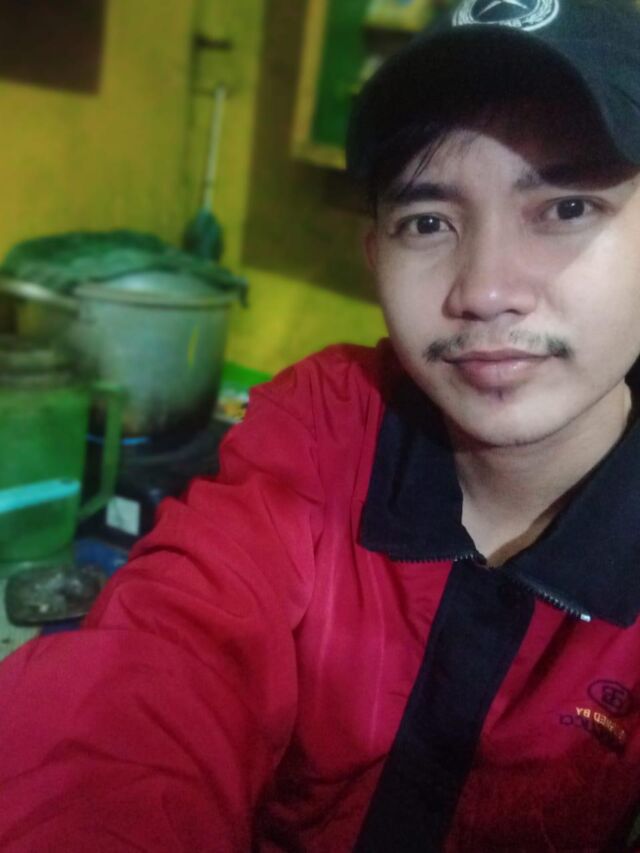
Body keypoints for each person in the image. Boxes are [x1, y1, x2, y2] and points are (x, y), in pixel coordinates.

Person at [3, 0, 640, 849]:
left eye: (567, 208)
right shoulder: (325, 426)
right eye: (428, 222)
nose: (485, 290)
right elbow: (152, 672)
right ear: (377, 257)